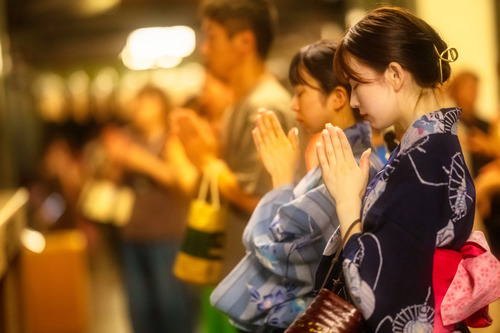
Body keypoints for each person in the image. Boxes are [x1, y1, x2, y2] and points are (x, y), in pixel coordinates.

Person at [314, 7, 491, 332]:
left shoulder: (422, 158)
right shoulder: (435, 145)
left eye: (357, 83)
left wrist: (347, 203)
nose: (353, 100)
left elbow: (385, 293)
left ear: (395, 75)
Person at [209, 40, 384, 333]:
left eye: (301, 92)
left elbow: (275, 252)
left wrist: (280, 178)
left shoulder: (352, 166)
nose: (293, 104)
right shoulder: (340, 159)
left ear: (338, 97)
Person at [175, 0, 295, 284]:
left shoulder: (264, 105)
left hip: (262, 279)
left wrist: (206, 160)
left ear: (244, 42)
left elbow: (261, 200)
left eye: (212, 37)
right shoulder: (240, 104)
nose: (205, 48)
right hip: (241, 269)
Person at [101, 84, 198, 333]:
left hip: (167, 234)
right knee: (138, 307)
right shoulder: (128, 137)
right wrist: (115, 161)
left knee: (170, 304)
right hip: (131, 233)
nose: (139, 109)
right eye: (138, 102)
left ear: (161, 107)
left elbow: (182, 182)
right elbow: (110, 181)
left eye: (146, 103)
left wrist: (141, 162)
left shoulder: (172, 140)